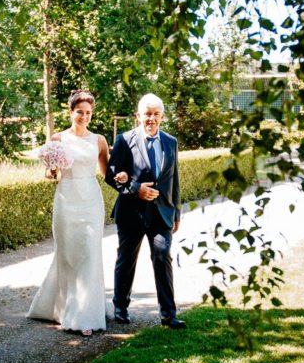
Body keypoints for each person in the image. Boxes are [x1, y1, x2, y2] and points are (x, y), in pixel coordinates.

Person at [27, 90, 113, 337]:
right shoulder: (58, 138)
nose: (84, 117)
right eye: (79, 112)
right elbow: (50, 172)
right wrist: (50, 170)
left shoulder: (99, 140)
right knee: (67, 254)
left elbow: (107, 174)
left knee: (88, 252)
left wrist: (124, 178)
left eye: (88, 113)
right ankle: (64, 308)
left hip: (91, 200)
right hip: (66, 198)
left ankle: (85, 314)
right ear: (71, 112)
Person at [105, 93, 186, 329]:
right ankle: (120, 307)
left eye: (155, 114)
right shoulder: (124, 139)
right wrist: (135, 188)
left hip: (162, 214)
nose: (151, 118)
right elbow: (111, 175)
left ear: (162, 116)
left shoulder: (171, 142)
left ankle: (168, 315)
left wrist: (177, 213)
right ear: (138, 116)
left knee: (162, 257)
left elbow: (174, 179)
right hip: (131, 213)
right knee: (126, 260)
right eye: (146, 114)